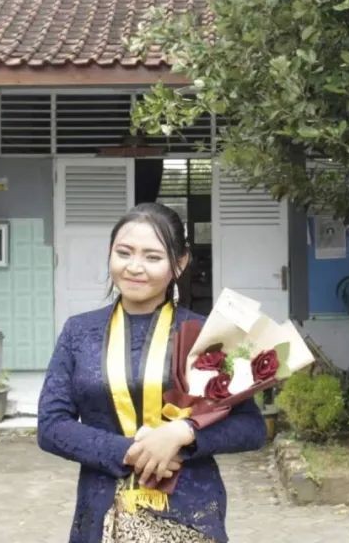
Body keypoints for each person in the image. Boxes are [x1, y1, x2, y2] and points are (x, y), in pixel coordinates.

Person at [38, 202, 267, 543]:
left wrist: (183, 434)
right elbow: (51, 425)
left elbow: (252, 427)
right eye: (124, 253)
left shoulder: (207, 335)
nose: (135, 267)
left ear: (180, 263)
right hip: (102, 507)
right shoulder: (79, 332)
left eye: (153, 257)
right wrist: (129, 451)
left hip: (189, 510)